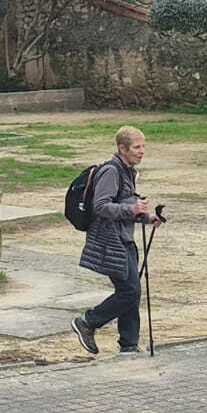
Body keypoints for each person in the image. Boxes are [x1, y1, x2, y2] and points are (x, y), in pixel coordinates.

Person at [71, 126, 159, 355]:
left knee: (131, 291)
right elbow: (101, 206)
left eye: (143, 146)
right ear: (122, 148)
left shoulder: (127, 171)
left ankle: (129, 345)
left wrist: (147, 217)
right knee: (129, 291)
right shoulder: (111, 171)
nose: (142, 151)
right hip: (111, 241)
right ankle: (87, 321)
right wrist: (132, 209)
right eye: (137, 147)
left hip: (124, 238)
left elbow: (125, 205)